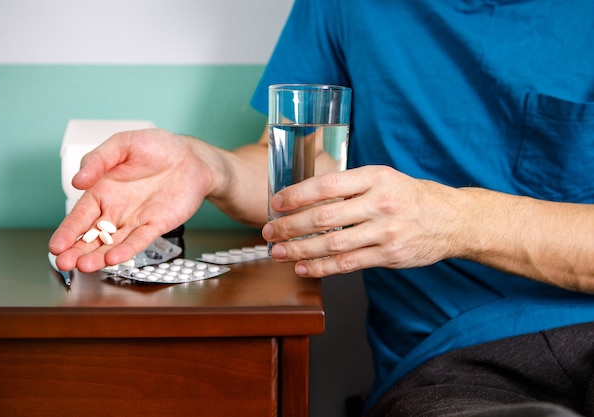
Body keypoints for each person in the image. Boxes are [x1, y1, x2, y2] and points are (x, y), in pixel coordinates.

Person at [49, 0, 594, 415]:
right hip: (452, 363)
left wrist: (455, 221)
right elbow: (300, 170)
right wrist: (209, 166)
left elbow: (446, 216)